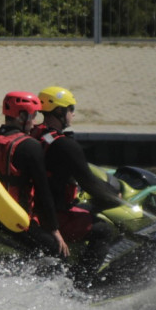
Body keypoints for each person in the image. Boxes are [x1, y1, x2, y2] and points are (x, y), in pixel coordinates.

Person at [0, 91, 69, 260]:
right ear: (22, 116)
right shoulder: (31, 146)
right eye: (33, 115)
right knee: (58, 252)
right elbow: (43, 193)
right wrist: (55, 230)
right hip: (14, 223)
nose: (34, 121)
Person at [32, 86, 124, 287]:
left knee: (85, 210)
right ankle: (81, 284)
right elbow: (89, 183)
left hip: (34, 209)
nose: (73, 113)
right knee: (104, 230)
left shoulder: (34, 134)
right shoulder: (64, 145)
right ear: (59, 111)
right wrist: (116, 198)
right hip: (52, 214)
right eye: (70, 108)